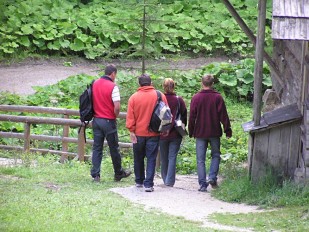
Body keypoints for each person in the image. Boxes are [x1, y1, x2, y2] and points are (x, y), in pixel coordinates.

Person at [188, 74, 232, 192]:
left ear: (202, 83)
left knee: (200, 159)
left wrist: (191, 131)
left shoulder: (196, 98)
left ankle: (202, 184)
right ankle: (212, 177)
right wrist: (228, 130)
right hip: (214, 131)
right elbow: (224, 115)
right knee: (216, 155)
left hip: (200, 131)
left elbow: (192, 117)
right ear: (212, 84)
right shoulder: (217, 97)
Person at [126, 74, 169, 192]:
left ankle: (139, 181)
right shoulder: (159, 95)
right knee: (151, 158)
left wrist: (131, 130)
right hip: (154, 133)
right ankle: (149, 184)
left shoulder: (133, 98)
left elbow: (130, 117)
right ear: (151, 83)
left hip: (138, 133)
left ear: (139, 84)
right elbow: (166, 113)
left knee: (138, 157)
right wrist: (165, 129)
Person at [90, 64, 131, 182]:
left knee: (97, 148)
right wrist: (115, 115)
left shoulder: (95, 83)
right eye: (115, 75)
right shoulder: (113, 86)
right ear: (112, 73)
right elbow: (117, 106)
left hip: (96, 120)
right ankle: (118, 173)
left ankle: (96, 175)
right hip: (108, 121)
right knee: (114, 148)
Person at [159, 78, 187, 187]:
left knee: (163, 157)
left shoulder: (160, 100)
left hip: (162, 132)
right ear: (174, 86)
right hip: (176, 132)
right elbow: (184, 115)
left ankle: (165, 178)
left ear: (163, 87)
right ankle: (169, 181)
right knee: (172, 157)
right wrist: (183, 126)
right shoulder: (179, 100)